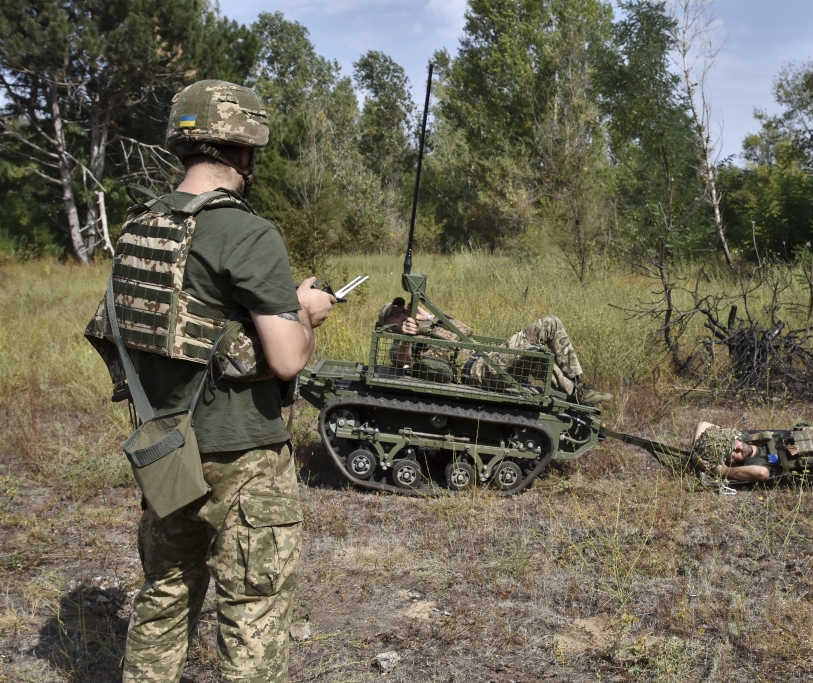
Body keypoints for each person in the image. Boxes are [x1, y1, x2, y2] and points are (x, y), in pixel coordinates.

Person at [103, 80, 336, 683]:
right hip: (244, 456)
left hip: (167, 449)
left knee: (165, 596)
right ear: (245, 148)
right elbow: (287, 360)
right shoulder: (249, 233)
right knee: (253, 610)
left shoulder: (137, 230)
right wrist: (306, 312)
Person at [377, 297, 612, 406]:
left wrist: (428, 317)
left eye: (405, 311)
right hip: (476, 370)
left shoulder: (429, 327)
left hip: (488, 358)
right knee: (534, 351)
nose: (404, 315)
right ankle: (576, 395)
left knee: (550, 323)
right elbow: (402, 360)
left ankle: (578, 387)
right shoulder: (399, 342)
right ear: (388, 325)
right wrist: (407, 336)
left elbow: (465, 331)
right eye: (396, 315)